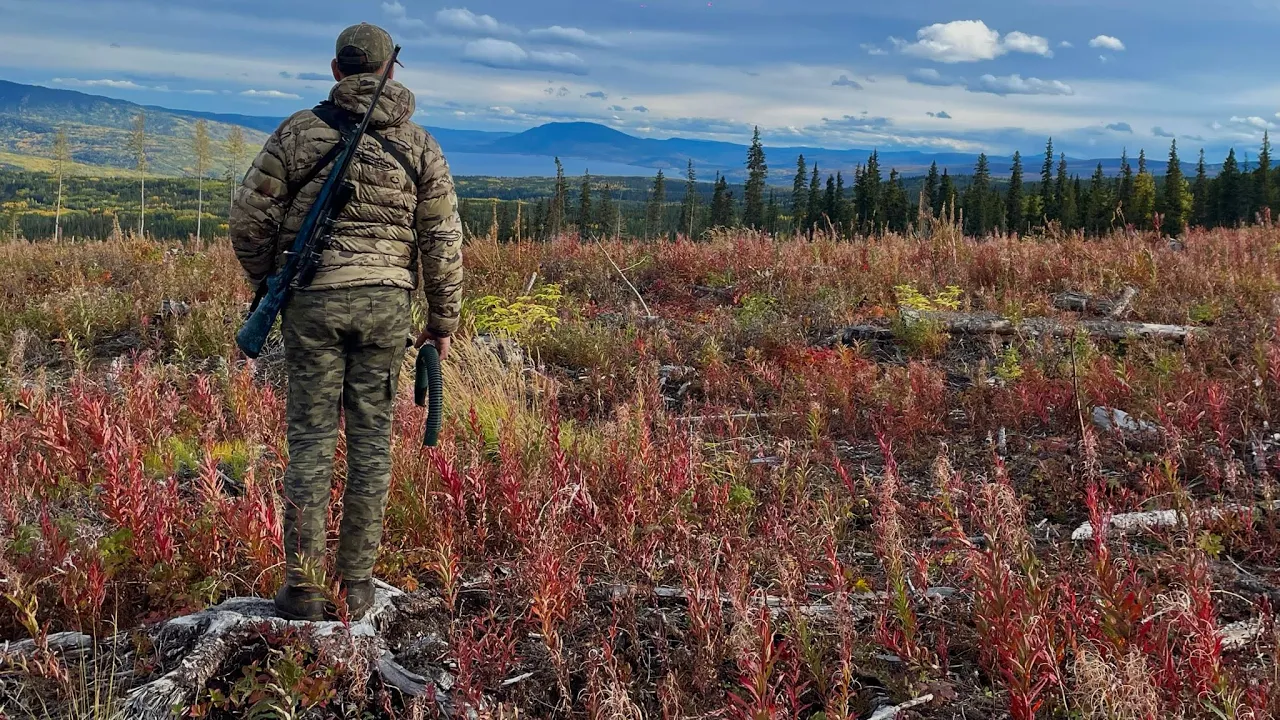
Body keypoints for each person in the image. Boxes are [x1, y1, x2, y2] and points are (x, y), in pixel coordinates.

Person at [229, 23, 463, 621]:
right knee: (371, 445)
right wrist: (442, 322)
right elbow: (441, 241)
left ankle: (304, 591)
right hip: (387, 306)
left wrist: (270, 282)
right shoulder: (421, 146)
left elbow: (249, 219)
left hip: (313, 303)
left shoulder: (296, 132)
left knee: (309, 445)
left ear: (337, 70)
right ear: (390, 71)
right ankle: (356, 586)